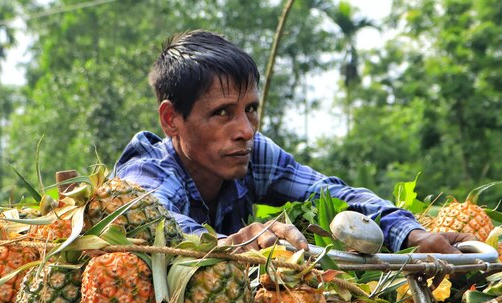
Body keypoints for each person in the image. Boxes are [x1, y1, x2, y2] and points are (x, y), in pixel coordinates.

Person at [114, 29, 473, 254]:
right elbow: (159, 225)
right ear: (171, 119)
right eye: (222, 113)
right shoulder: (146, 170)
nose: (246, 129)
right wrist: (237, 241)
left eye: (250, 109)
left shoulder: (251, 154)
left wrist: (409, 233)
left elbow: (330, 194)